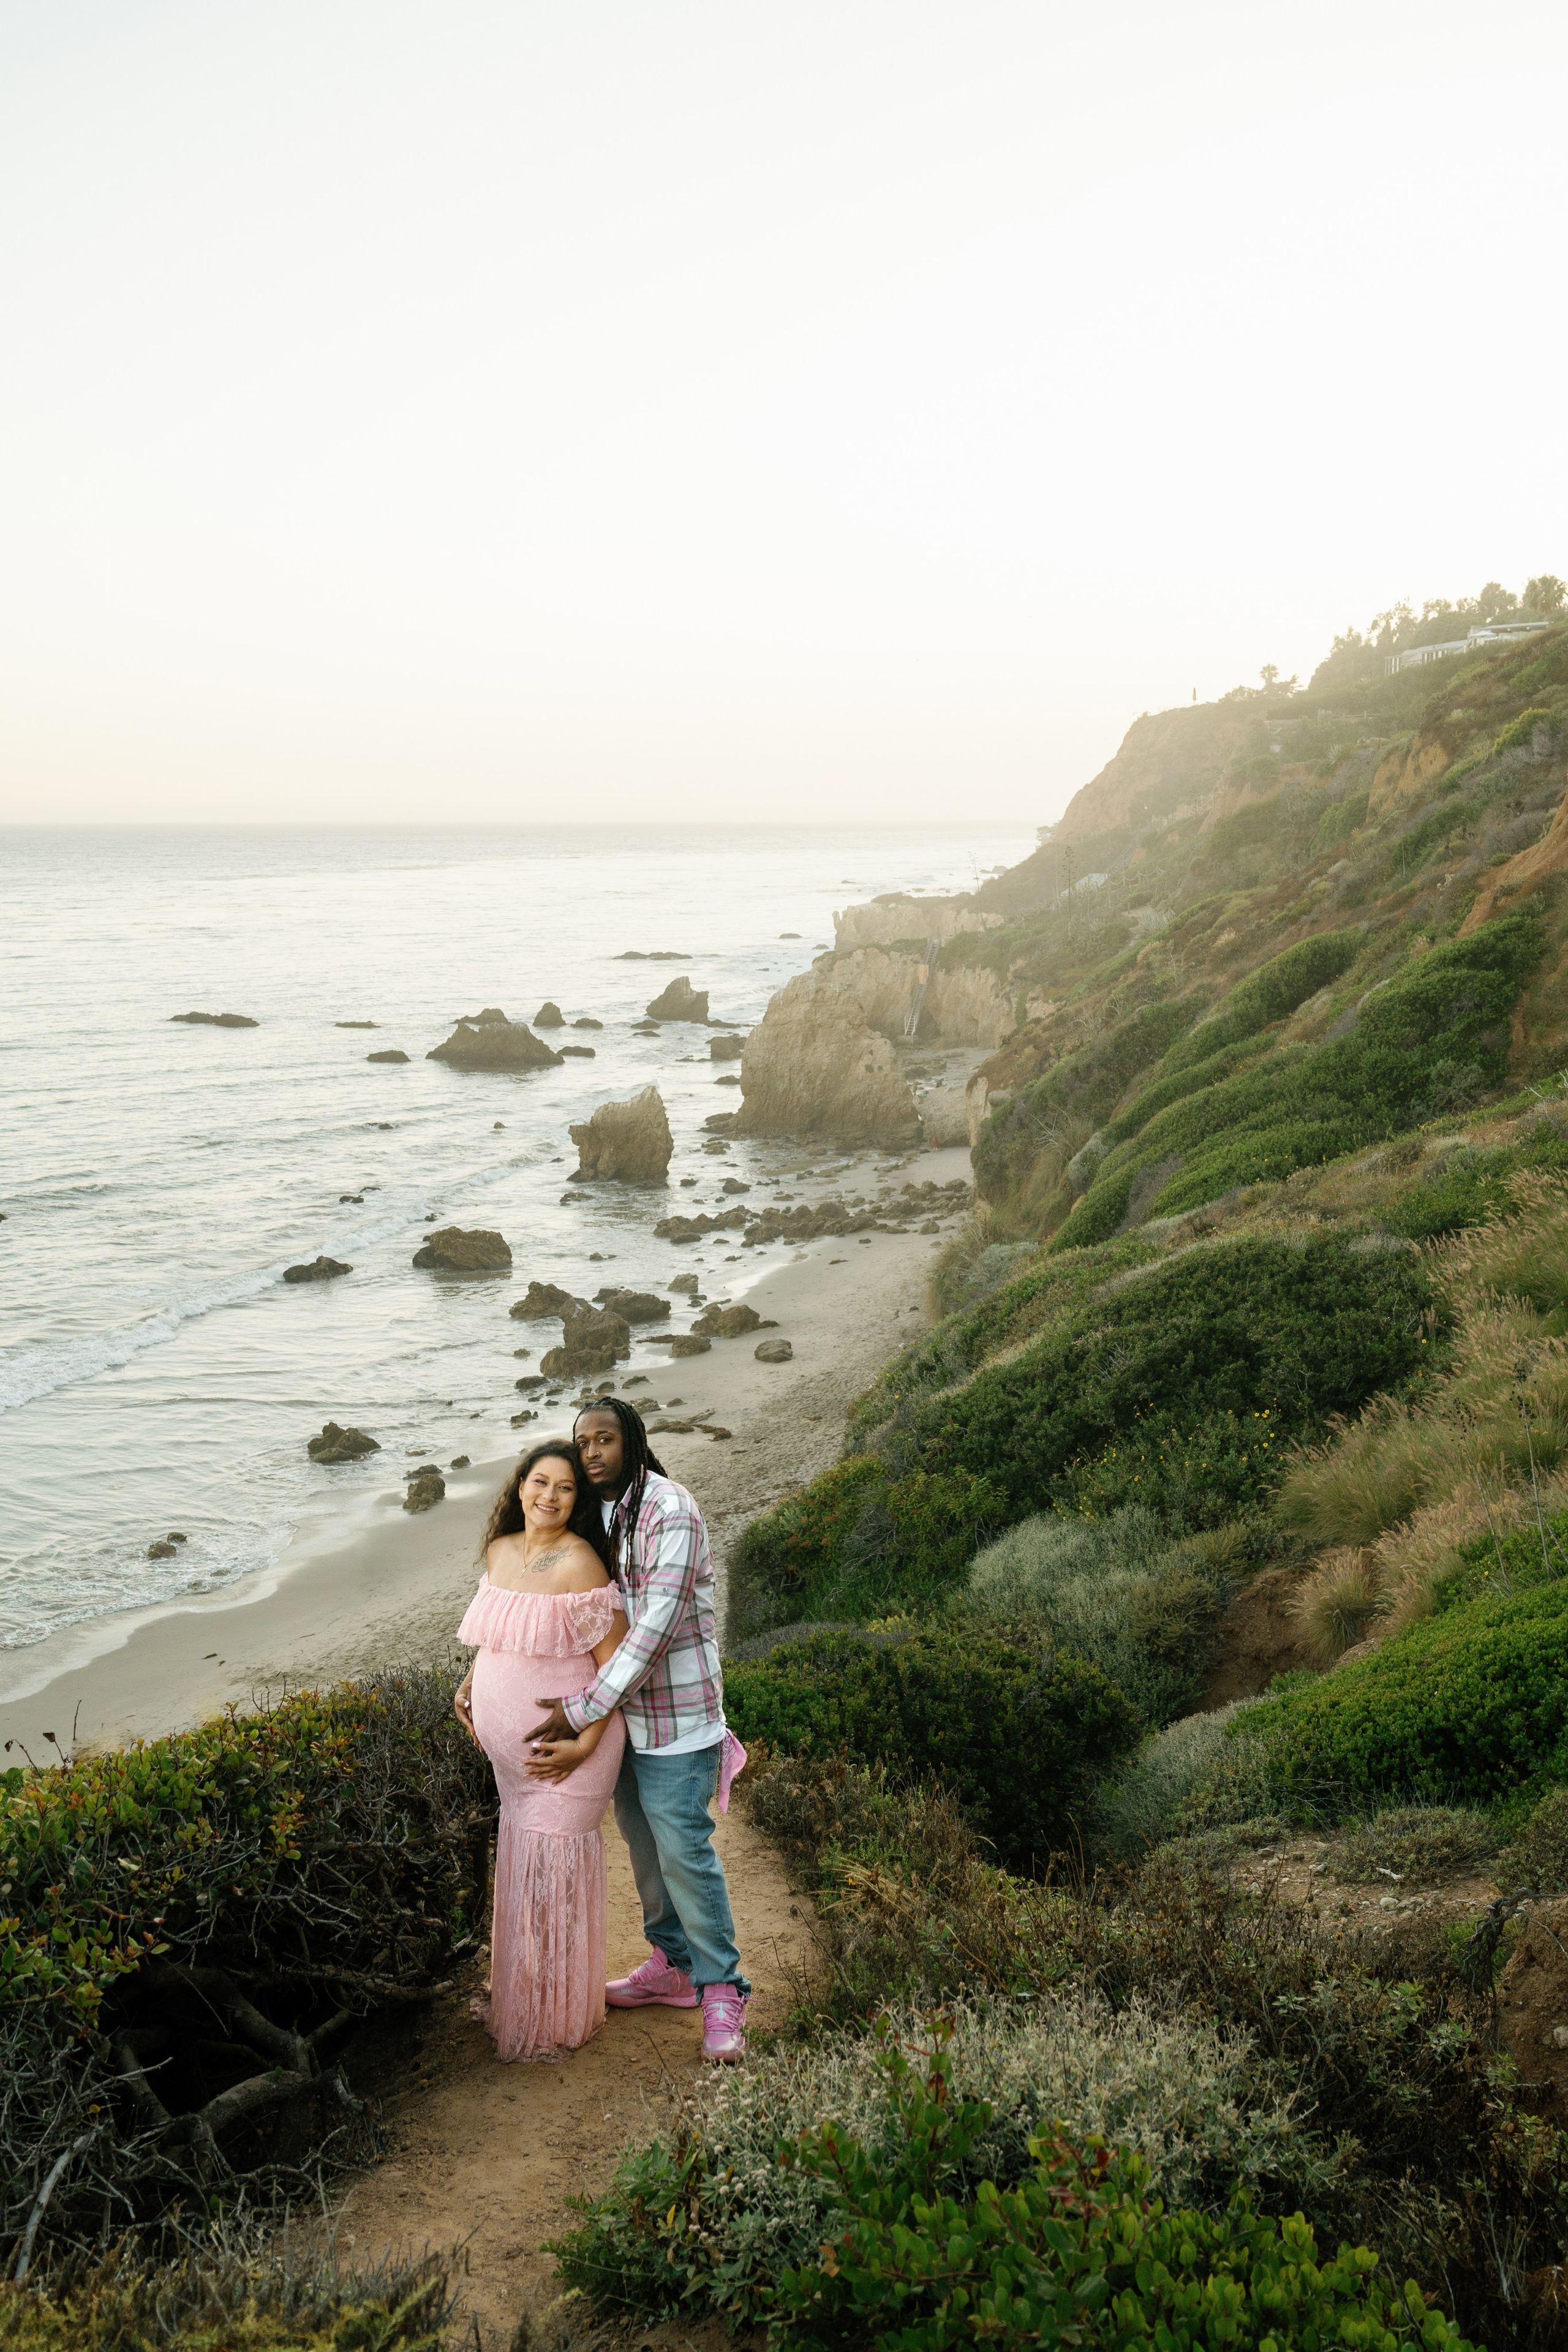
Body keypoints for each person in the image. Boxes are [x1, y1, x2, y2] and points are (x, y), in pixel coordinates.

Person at [524, 1397, 750, 2063]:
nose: (591, 1452)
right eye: (582, 1442)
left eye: (605, 1440)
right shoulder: (600, 1512)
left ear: (633, 1442)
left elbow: (655, 1627)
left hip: (676, 1722)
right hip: (626, 1721)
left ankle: (722, 1989)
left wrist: (582, 1709)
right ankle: (674, 1966)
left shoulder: (668, 1508)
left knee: (683, 1850)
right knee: (646, 1850)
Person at [453, 1441, 628, 2062]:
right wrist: (472, 1683)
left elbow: (617, 1668)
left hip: (573, 1752)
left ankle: (556, 2018)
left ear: (577, 1501)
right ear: (520, 1484)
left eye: (565, 1488)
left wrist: (582, 1747)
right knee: (526, 1872)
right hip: (512, 1764)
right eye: (540, 1482)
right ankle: (525, 2000)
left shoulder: (581, 1564)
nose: (548, 1496)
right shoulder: (500, 1550)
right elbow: (497, 1631)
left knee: (554, 1878)